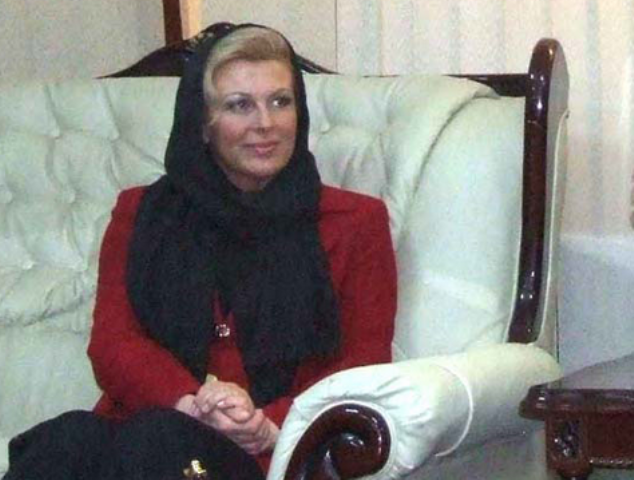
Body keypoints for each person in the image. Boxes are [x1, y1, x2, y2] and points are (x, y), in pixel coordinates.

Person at [3, 23, 396, 479]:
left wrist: (267, 424)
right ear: (203, 124)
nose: (265, 123)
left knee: (155, 439)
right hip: (154, 425)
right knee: (66, 438)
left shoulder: (355, 222)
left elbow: (363, 364)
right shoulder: (142, 213)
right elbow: (113, 343)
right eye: (239, 105)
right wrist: (192, 405)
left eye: (280, 101)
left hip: (272, 449)